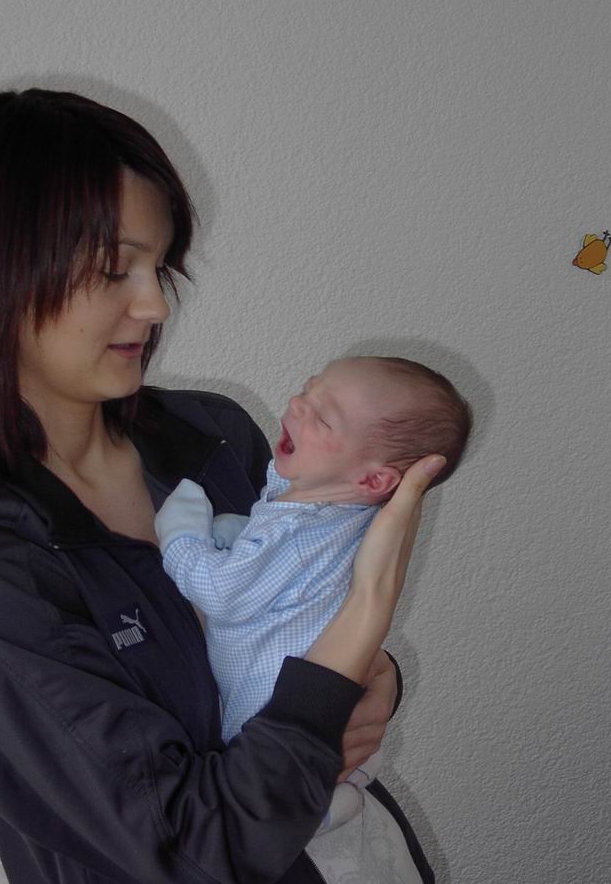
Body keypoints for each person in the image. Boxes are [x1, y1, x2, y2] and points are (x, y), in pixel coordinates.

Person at [0, 88, 454, 884]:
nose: (155, 304)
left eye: (160, 267)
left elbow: (293, 639)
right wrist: (363, 622)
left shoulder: (212, 436)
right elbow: (192, 841)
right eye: (115, 269)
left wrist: (373, 677)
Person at [154, 354, 472, 830]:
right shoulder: (342, 513)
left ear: (374, 480)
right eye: (307, 389)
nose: (296, 405)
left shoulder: (293, 522)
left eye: (322, 417)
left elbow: (221, 591)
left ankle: (317, 809)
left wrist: (180, 538)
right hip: (309, 729)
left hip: (269, 719)